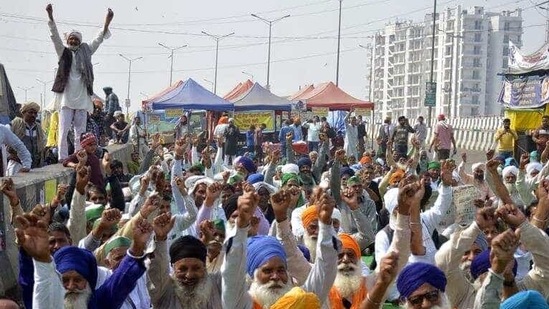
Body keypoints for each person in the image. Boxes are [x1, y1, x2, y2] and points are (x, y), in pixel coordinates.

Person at [47, 4, 113, 160]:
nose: (73, 41)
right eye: (71, 38)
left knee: (80, 131)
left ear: (80, 41)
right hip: (66, 98)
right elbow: (55, 36)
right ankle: (62, 158)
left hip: (83, 97)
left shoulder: (86, 51)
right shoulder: (63, 52)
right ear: (68, 40)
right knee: (63, 131)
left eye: (76, 39)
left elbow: (98, 39)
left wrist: (107, 22)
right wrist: (50, 17)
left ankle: (78, 156)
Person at [10, 102, 46, 168]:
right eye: (30, 112)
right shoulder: (16, 124)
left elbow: (41, 146)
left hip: (35, 164)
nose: (33, 115)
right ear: (23, 112)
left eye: (35, 113)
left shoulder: (38, 128)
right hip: (18, 164)